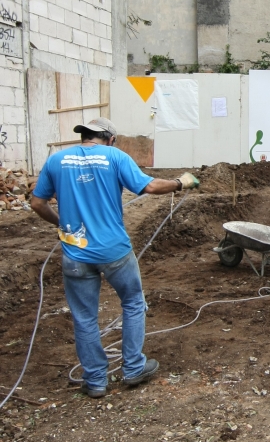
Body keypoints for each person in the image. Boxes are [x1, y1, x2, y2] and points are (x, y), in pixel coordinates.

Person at [30, 117, 199, 399]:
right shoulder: (115, 156)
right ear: (110, 138)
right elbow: (151, 187)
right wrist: (181, 182)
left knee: (84, 317)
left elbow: (37, 203)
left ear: (83, 136)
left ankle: (95, 380)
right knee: (133, 302)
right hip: (115, 251)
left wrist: (60, 223)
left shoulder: (56, 160)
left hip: (75, 252)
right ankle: (133, 368)